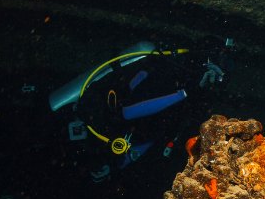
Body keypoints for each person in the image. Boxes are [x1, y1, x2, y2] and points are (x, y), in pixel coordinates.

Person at [51, 37, 235, 182]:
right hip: (131, 112)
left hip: (141, 120)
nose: (214, 80)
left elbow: (151, 135)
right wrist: (184, 94)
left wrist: (120, 163)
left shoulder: (187, 85)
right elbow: (128, 112)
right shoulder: (166, 72)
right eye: (215, 73)